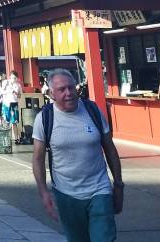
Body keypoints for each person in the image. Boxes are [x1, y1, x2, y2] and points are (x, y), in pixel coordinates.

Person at [33, 69, 123, 242]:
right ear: (51, 94)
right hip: (66, 193)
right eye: (62, 89)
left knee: (104, 238)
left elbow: (110, 149)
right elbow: (37, 158)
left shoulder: (92, 110)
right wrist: (43, 192)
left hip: (99, 189)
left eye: (71, 87)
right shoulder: (44, 118)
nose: (68, 93)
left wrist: (118, 184)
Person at [0, 71, 22, 143]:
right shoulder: (6, 82)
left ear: (17, 78)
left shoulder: (18, 85)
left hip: (14, 103)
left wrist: (15, 92)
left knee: (14, 121)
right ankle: (7, 139)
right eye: (12, 77)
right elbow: (1, 92)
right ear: (10, 77)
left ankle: (16, 138)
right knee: (7, 121)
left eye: (15, 78)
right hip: (6, 103)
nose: (13, 79)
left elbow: (19, 96)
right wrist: (8, 91)